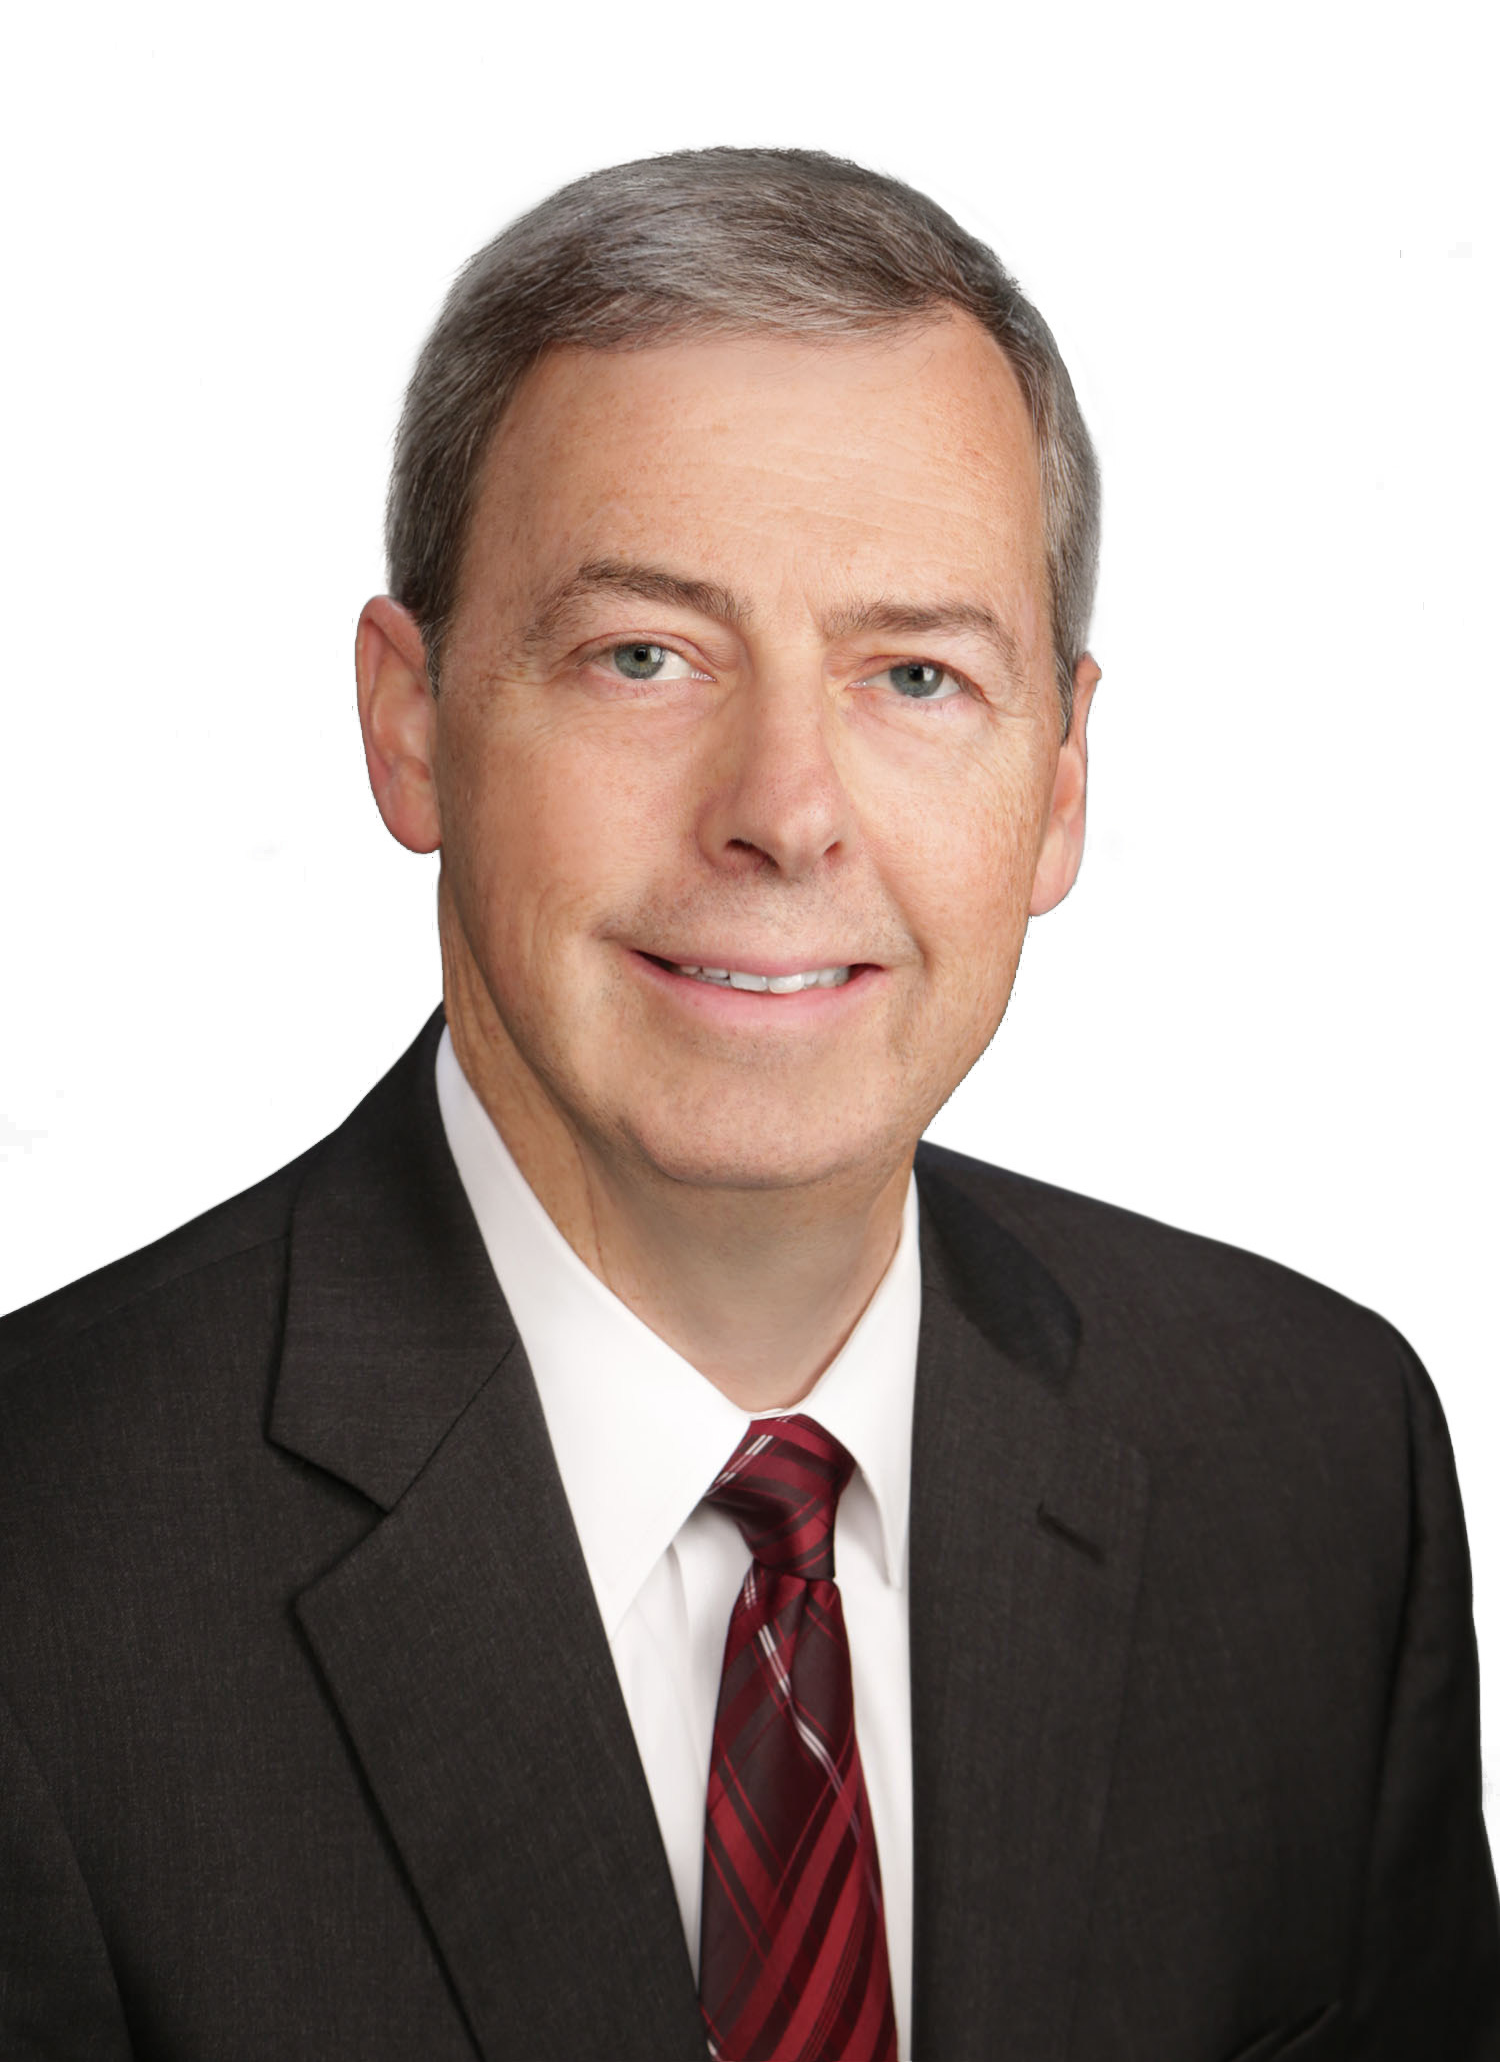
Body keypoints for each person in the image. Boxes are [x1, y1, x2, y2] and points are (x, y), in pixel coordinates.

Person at [0, 147, 1494, 2062]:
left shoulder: (1318, 1468)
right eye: (644, 655)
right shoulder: (44, 1569)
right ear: (410, 720)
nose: (784, 811)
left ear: (1059, 784)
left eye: (917, 674)